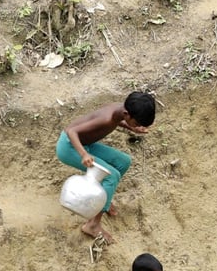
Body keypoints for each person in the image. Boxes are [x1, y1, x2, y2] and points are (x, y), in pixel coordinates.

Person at [56, 91, 156, 243]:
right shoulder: (106, 118)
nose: (137, 126)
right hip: (69, 147)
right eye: (136, 123)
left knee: (123, 161)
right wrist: (83, 154)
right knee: (111, 175)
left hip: (85, 144)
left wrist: (132, 128)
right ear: (127, 113)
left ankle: (104, 199)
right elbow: (71, 131)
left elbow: (118, 121)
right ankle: (93, 225)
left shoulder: (119, 110)